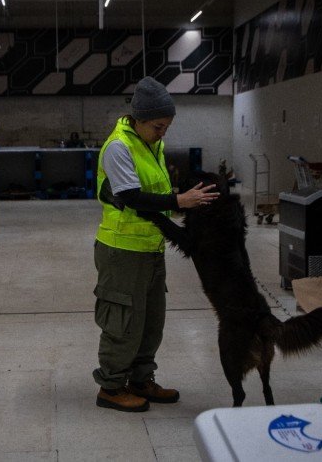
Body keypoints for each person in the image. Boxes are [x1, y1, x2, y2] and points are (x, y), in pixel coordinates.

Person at [92, 76, 220, 412]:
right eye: (158, 126)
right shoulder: (119, 146)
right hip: (122, 250)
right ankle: (111, 386)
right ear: (139, 119)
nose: (163, 133)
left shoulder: (152, 144)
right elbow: (132, 197)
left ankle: (141, 379)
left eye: (166, 126)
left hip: (150, 247)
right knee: (124, 320)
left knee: (151, 320)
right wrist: (180, 202)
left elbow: (156, 192)